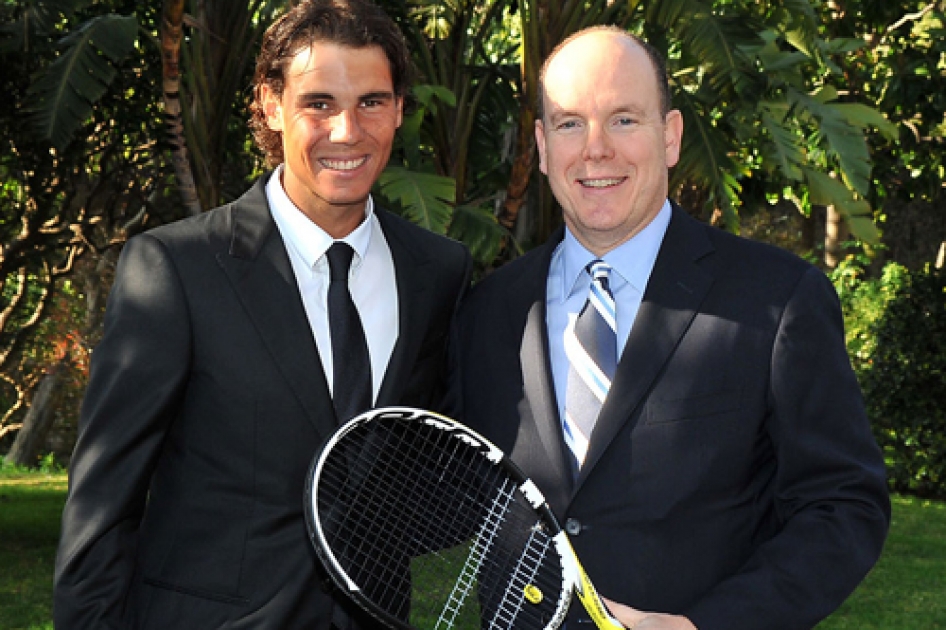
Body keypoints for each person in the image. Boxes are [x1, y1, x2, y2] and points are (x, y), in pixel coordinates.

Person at [53, 0, 471, 627]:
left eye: (372, 102)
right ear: (272, 104)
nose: (347, 131)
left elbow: (416, 471)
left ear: (400, 109)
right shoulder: (176, 269)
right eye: (320, 103)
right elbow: (100, 511)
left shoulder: (437, 273)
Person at [456, 26, 889, 630]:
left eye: (624, 120)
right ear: (543, 145)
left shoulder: (776, 301)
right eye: (570, 123)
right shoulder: (489, 312)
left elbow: (844, 505)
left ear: (671, 137)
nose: (596, 148)